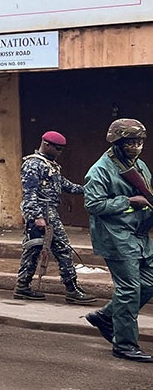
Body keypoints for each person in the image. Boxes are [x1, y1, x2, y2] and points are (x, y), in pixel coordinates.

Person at [83, 118, 153, 363]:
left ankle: (106, 316)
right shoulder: (100, 170)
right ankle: (124, 344)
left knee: (149, 282)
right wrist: (129, 202)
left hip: (139, 235)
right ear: (117, 143)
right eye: (130, 142)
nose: (136, 146)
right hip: (116, 237)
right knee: (129, 289)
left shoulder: (139, 166)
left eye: (139, 142)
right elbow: (93, 204)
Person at [13, 131, 94, 304]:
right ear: (46, 144)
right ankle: (71, 289)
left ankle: (22, 287)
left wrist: (89, 189)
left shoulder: (50, 165)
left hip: (48, 211)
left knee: (33, 249)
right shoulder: (33, 164)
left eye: (61, 149)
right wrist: (37, 216)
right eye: (57, 148)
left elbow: (66, 185)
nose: (59, 152)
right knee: (63, 248)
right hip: (43, 212)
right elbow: (30, 193)